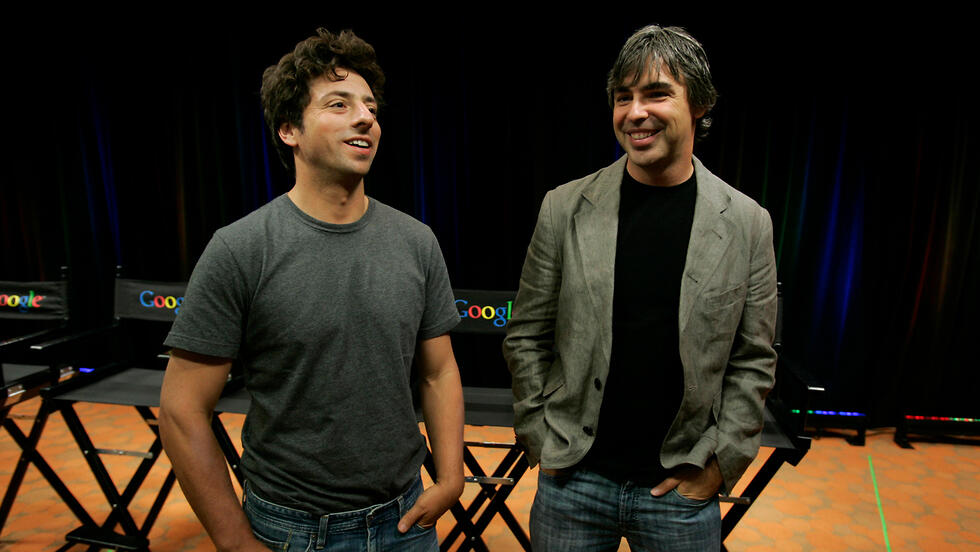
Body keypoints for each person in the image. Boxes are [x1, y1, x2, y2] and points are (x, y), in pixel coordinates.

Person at [159, 28, 464, 552]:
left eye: (369, 105)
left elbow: (439, 370)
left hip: (406, 524)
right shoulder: (240, 249)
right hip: (292, 532)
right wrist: (235, 542)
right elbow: (181, 410)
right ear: (288, 130)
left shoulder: (417, 242)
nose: (365, 117)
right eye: (339, 104)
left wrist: (452, 478)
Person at [502, 24, 777, 551]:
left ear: (697, 103)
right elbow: (526, 335)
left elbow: (753, 360)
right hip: (572, 482)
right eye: (623, 97)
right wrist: (539, 435)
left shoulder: (746, 223)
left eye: (656, 94)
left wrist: (720, 465)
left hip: (683, 485)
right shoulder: (564, 208)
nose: (634, 112)